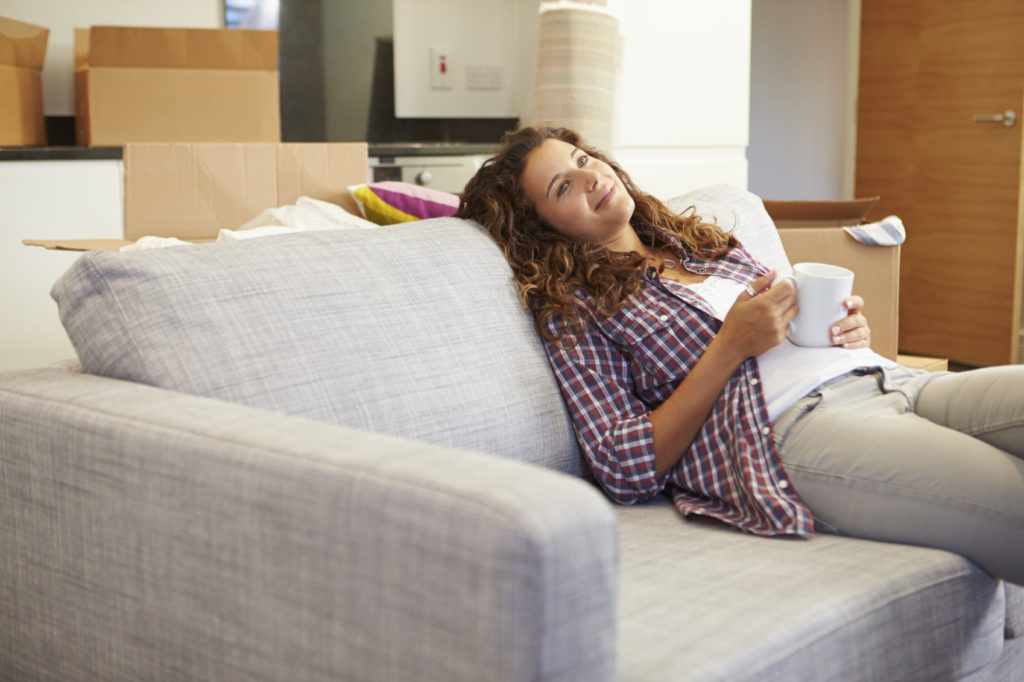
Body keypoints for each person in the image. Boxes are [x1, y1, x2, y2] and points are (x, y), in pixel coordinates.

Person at [455, 125, 1024, 585]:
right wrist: (727, 349)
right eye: (562, 187)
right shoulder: (576, 312)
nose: (590, 176)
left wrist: (845, 328)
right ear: (543, 229)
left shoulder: (702, 244)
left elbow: (789, 327)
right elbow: (623, 469)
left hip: (885, 379)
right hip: (794, 429)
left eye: (581, 158)